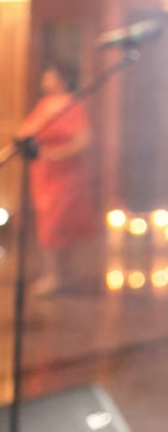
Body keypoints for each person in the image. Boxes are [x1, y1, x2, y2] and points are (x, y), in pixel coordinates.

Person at [16, 61, 97, 296]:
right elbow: (27, 131)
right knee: (45, 222)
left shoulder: (72, 105)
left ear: (62, 79)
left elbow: (83, 139)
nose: (45, 81)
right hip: (43, 173)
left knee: (59, 222)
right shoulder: (44, 105)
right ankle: (53, 273)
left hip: (66, 174)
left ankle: (60, 274)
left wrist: (57, 154)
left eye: (50, 76)